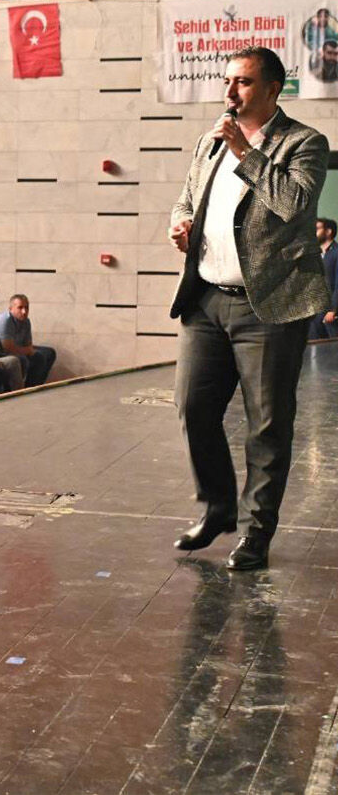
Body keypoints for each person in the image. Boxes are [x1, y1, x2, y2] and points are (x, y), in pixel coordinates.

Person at [167, 46, 329, 571]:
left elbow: (293, 205)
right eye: (228, 80)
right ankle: (218, 507)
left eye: (243, 82)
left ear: (272, 89)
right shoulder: (209, 141)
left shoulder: (304, 142)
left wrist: (244, 151)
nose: (230, 91)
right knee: (193, 406)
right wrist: (179, 224)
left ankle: (257, 533)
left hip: (269, 306)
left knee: (266, 425)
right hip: (206, 300)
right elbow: (187, 199)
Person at [0, 294, 56, 387]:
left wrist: (28, 350)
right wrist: (28, 350)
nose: (24, 311)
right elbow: (8, 348)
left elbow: (28, 345)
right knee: (23, 359)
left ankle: (33, 387)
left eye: (26, 308)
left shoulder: (26, 321)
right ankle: (24, 389)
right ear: (11, 309)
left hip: (15, 348)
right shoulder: (5, 321)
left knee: (46, 354)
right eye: (20, 308)